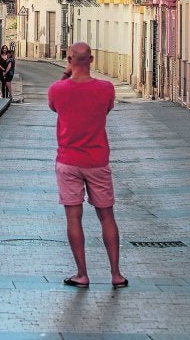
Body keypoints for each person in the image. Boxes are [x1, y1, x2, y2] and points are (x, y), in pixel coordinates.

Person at [47, 41, 127, 290]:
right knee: (107, 216)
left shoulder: (57, 90)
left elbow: (53, 107)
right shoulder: (106, 89)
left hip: (69, 161)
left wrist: (65, 73)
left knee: (74, 217)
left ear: (69, 60)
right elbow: (106, 110)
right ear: (91, 60)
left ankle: (82, 274)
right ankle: (116, 274)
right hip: (97, 161)